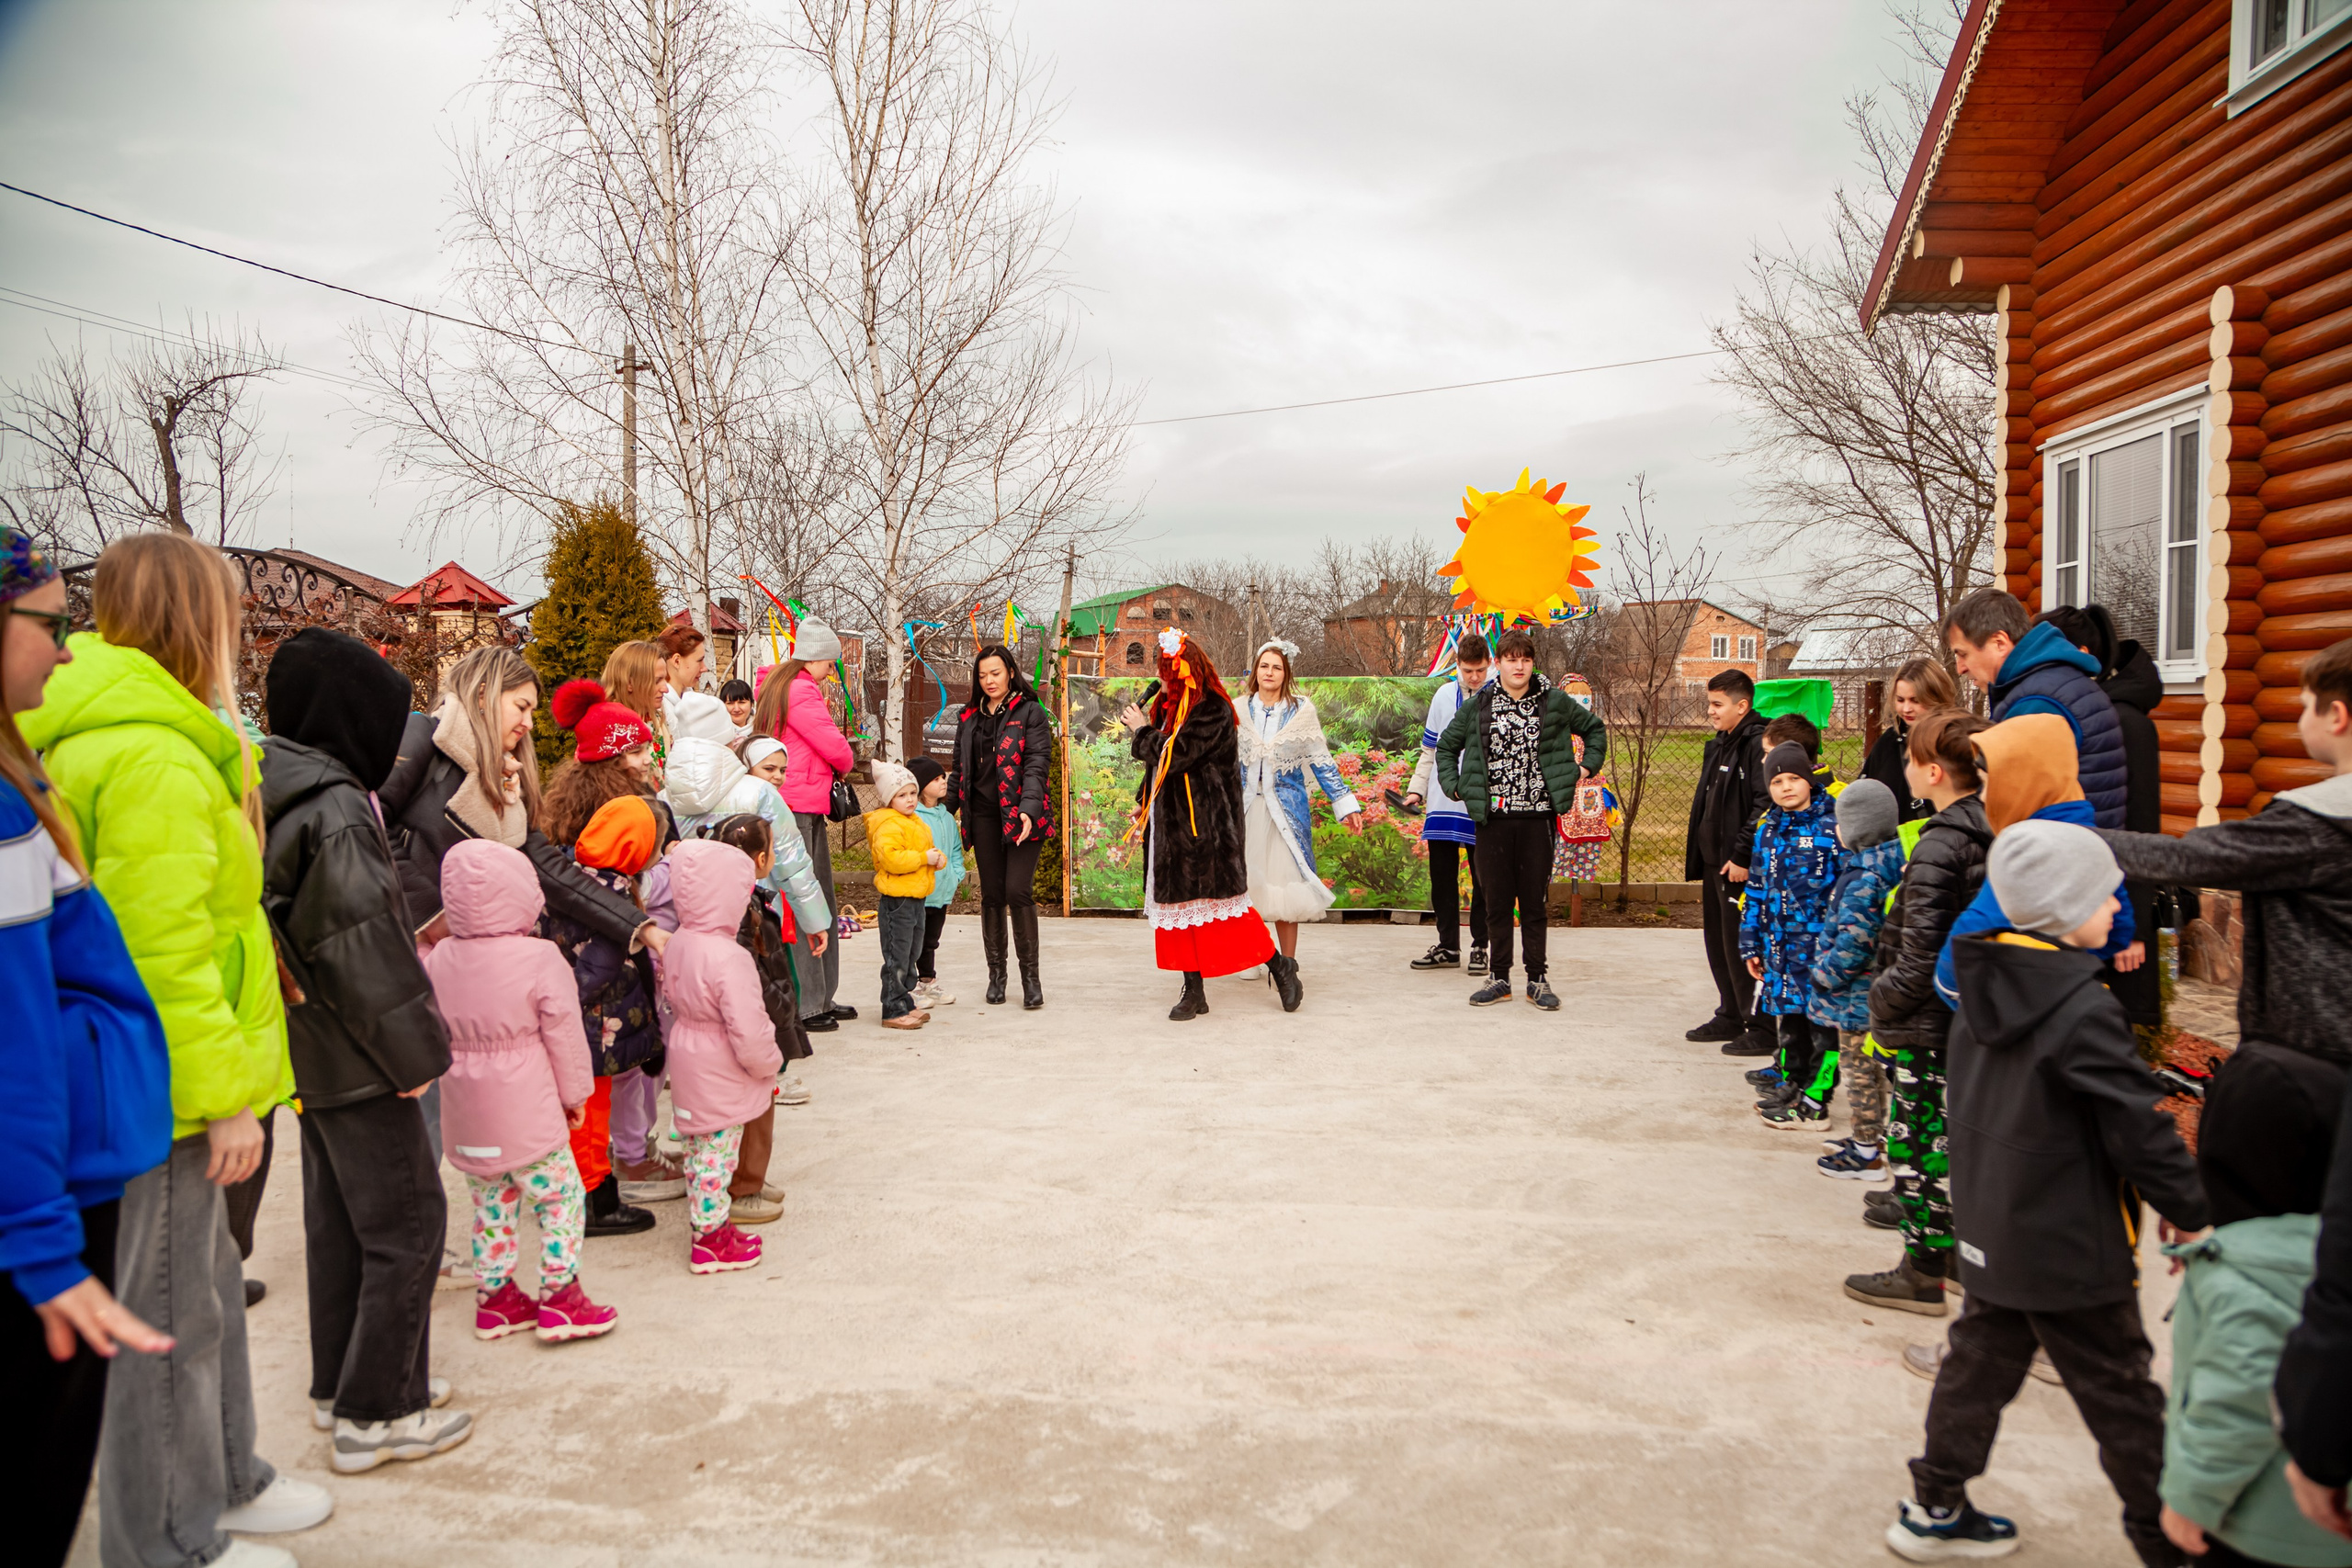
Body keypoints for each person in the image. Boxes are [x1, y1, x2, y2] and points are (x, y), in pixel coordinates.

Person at [19, 530, 332, 1567]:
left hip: (186, 1078)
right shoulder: (149, 754)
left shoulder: (166, 734)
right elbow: (163, 951)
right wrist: (219, 1093)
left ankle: (226, 1477)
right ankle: (164, 1538)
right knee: (166, 1314)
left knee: (206, 1293)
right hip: (168, 1093)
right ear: (196, 619)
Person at [2078, 637, 2352, 1531]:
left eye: (2305, 704)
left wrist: (2062, 840)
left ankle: (2241, 1490)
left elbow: (2192, 858)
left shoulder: (2318, 824)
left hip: (2306, 1086)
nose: (2300, 718)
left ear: (2337, 714)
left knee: (2270, 1280)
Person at [1888, 820, 2210, 1566]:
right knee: (2122, 1395)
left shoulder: (1979, 986)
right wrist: (2194, 1209)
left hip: (1994, 1223)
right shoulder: (2082, 1009)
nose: (2116, 908)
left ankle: (1935, 1503)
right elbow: (2137, 1126)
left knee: (1977, 1365)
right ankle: (2170, 1542)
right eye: (2107, 896)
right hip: (2071, 1243)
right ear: (2064, 909)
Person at [0, 526, 175, 1568]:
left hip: (62, 1161)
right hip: (45, 1186)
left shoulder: (22, 777)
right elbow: (14, 1029)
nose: (67, 648)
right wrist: (34, 1234)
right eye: (50, 623)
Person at [257, 629, 473, 1473]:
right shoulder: (340, 810)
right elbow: (366, 951)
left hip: (316, 1050)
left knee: (341, 1227)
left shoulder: (279, 791)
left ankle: (339, 1383)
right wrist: (416, 1057)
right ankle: (379, 1409)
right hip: (363, 1053)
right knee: (410, 1225)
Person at [2157, 1033, 2351, 1568]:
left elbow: (2236, 1406)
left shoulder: (2245, 1271)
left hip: (2259, 1528)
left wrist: (2192, 1498)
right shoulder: (2335, 1257)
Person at [424, 840, 618, 1347]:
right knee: (561, 1197)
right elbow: (565, 1036)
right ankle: (560, 1296)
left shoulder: (439, 958)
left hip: (466, 1111)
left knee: (491, 1203)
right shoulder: (539, 957)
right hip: (526, 1108)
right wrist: (575, 1096)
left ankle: (496, 1299)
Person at [1848, 710, 1992, 1319]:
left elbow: (1921, 951)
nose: (1903, 767)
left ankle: (1924, 1270)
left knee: (1915, 1150)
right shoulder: (1987, 826)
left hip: (1923, 1023)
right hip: (1956, 1021)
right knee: (1941, 1143)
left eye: (1909, 759)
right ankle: (1953, 1255)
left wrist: (1881, 1002)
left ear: (1933, 772)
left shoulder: (1939, 842)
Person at [1433, 627, 1607, 1013]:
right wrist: (1455, 787)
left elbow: (1594, 730)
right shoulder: (1481, 704)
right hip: (1492, 821)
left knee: (1533, 903)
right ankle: (1499, 979)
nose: (1519, 666)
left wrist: (1583, 770)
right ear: (1498, 663)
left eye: (1526, 660)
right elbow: (1446, 747)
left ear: (1532, 664)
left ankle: (1537, 980)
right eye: (1512, 659)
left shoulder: (1554, 702)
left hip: (1537, 819)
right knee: (1496, 903)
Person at [1117, 627, 1277, 1021]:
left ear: (1186, 671)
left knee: (1228, 912)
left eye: (1168, 670)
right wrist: (1144, 802)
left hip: (1208, 829)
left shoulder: (1213, 709)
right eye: (1162, 669)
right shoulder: (1168, 708)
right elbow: (1158, 768)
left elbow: (1177, 754)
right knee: (1177, 911)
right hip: (1171, 827)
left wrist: (1140, 731)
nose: (1163, 677)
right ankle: (1194, 990)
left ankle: (1280, 966)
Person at [1930, 714, 2138, 1009]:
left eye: (1987, 785)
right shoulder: (2084, 833)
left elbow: (1963, 948)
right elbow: (2119, 928)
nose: (1983, 798)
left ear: (2023, 785)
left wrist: (1950, 985)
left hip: (2013, 1006)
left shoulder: (2030, 852)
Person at [542, 791, 664, 1240]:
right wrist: (564, 1007)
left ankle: (577, 1191)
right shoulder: (612, 898)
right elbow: (597, 968)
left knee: (580, 1111)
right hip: (592, 1027)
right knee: (590, 1115)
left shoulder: (569, 874)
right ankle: (592, 1200)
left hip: (580, 1022)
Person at [659, 838, 782, 1275]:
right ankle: (709, 1241)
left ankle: (712, 1225)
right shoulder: (729, 957)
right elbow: (748, 1026)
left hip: (687, 1055)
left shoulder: (679, 941)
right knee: (717, 1156)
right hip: (721, 1065)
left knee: (699, 1152)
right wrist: (769, 1063)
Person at [2038, 603, 2165, 1027]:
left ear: (2082, 654)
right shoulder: (2076, 716)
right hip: (2080, 907)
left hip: (2117, 915)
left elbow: (2142, 829)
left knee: (2107, 1034)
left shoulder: (2127, 723)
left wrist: (2136, 931)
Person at [1237, 638, 1364, 1010]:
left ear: (1286, 673)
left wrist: (1345, 804)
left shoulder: (1301, 711)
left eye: (1276, 667)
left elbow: (1322, 761)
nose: (1269, 673)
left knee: (1286, 891)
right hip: (1245, 812)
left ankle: (1287, 967)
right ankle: (1254, 956)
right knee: (1245, 888)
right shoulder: (1238, 709)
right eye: (1264, 666)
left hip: (1286, 814)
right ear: (1255, 671)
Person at [1943, 586, 2127, 829]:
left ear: (1999, 643)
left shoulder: (2036, 702)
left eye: (1963, 654)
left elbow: (2011, 804)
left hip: (2060, 846)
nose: (1960, 668)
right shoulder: (2055, 682)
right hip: (2084, 843)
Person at [751, 621, 855, 1031]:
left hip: (795, 801)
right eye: (830, 662)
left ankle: (819, 995)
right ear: (816, 657)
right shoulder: (801, 690)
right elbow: (835, 746)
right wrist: (844, 763)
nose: (832, 669)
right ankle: (810, 1002)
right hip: (799, 806)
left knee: (812, 896)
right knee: (806, 898)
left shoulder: (780, 685)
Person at [944, 643, 1057, 1010]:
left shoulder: (1030, 712)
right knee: (992, 895)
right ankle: (997, 976)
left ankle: (1031, 979)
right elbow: (959, 772)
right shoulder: (968, 717)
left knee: (1017, 890)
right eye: (982, 675)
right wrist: (943, 814)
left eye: (995, 673)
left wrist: (1028, 809)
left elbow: (1037, 764)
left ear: (1010, 672)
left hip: (1023, 816)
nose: (989, 681)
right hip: (983, 817)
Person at [701, 814, 801, 1224]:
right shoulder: (736, 910)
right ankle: (742, 1188)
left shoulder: (745, 898)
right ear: (760, 859)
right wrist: (779, 1003)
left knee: (762, 1104)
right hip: (754, 1022)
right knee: (752, 1108)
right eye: (772, 848)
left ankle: (751, 1176)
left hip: (761, 1018)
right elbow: (749, 974)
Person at [1739, 742, 1844, 1130]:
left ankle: (1817, 1100)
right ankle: (1794, 1084)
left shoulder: (1833, 827)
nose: (1786, 787)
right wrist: (1751, 943)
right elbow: (1756, 889)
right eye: (1777, 781)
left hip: (1820, 950)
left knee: (1821, 1027)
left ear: (1809, 780)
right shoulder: (1768, 830)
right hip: (1779, 948)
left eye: (1794, 778)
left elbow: (1848, 888)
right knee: (1791, 1022)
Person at [1808, 779, 1905, 1181]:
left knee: (1858, 1073)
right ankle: (1873, 1140)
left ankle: (1866, 1154)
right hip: (1875, 993)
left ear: (1857, 829)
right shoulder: (1892, 863)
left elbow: (1854, 942)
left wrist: (1823, 975)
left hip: (1855, 998)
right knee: (1872, 1070)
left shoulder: (1865, 877)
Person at [1684, 668, 1772, 1052]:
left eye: (1717, 704)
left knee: (1744, 946)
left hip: (1737, 866)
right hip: (1714, 862)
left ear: (1742, 705)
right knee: (1719, 943)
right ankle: (1732, 1014)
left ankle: (1762, 1026)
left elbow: (1764, 804)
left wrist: (1742, 854)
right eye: (1710, 703)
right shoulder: (1722, 743)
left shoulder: (1757, 744)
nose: (1711, 711)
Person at [1404, 633, 1491, 973]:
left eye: (1480, 670)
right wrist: (1417, 790)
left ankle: (1481, 947)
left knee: (1485, 879)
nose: (1474, 677)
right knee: (1441, 877)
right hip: (1442, 799)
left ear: (1490, 664)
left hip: (1483, 801)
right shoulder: (1442, 696)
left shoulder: (1498, 696)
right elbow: (1430, 750)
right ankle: (1448, 946)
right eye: (1468, 670)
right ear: (1457, 665)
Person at [865, 761, 943, 1030]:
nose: (910, 799)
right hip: (898, 901)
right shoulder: (888, 824)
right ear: (889, 799)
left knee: (912, 952)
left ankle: (906, 1001)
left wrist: (936, 858)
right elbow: (892, 859)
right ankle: (893, 1008)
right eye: (902, 795)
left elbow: (927, 849)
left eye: (912, 793)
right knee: (897, 956)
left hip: (916, 898)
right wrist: (923, 858)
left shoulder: (914, 821)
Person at [1860, 658, 1960, 824]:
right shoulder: (1888, 742)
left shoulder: (1955, 743)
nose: (1906, 709)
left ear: (1937, 698)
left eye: (1916, 700)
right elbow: (1864, 795)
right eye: (1900, 700)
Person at [909, 757, 964, 1010]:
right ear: (921, 786)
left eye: (943, 777)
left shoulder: (947, 817)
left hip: (941, 892)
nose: (944, 782)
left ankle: (927, 981)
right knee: (913, 941)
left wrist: (955, 874)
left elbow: (955, 850)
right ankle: (909, 986)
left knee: (931, 940)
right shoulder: (913, 818)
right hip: (920, 892)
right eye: (936, 779)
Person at [599, 639, 670, 784]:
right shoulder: (608, 729)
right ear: (630, 683)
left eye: (665, 680)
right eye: (656, 681)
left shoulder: (654, 719)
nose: (665, 689)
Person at [656, 622, 707, 706]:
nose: (704, 668)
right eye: (699, 660)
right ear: (677, 661)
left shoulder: (691, 701)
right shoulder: (660, 708)